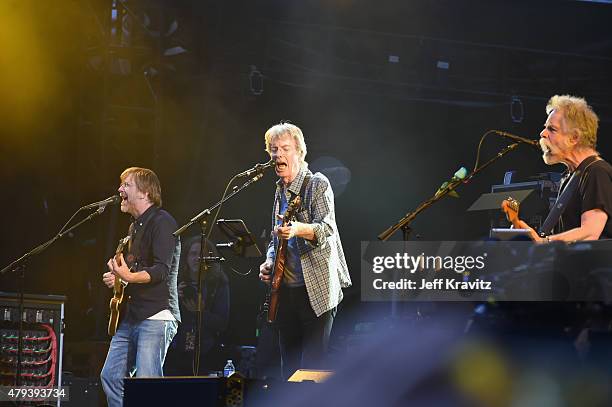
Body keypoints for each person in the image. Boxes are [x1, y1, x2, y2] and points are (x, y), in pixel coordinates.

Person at [258, 122, 352, 379]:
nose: (278, 155)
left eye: (285, 148)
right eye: (273, 149)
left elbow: (327, 230)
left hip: (317, 291)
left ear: (299, 152)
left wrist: (298, 229)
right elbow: (274, 239)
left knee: (312, 370)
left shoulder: (317, 184)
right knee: (287, 370)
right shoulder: (279, 191)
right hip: (286, 291)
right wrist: (268, 262)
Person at [100, 167, 180, 407]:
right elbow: (135, 271)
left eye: (126, 185)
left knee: (147, 383)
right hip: (132, 315)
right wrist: (120, 279)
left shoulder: (163, 222)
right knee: (111, 376)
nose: (119, 190)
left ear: (145, 192)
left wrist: (128, 277)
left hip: (157, 315)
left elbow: (161, 271)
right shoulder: (134, 228)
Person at [536, 95, 612, 242]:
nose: (543, 134)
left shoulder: (597, 172)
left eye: (551, 129)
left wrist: (545, 242)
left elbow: (590, 232)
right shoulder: (571, 176)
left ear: (574, 137)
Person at [165, 236, 230, 375]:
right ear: (186, 257)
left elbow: (222, 323)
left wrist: (200, 311)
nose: (197, 258)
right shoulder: (176, 280)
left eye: (202, 254)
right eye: (193, 254)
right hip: (176, 349)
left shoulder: (218, 284)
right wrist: (174, 296)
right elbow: (163, 316)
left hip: (207, 350)